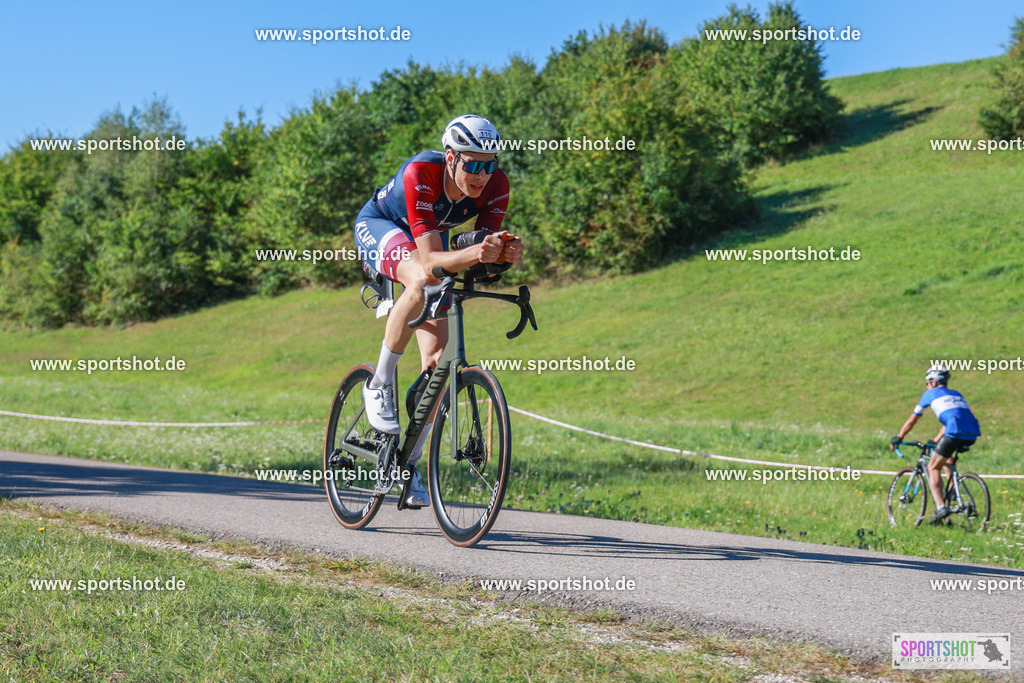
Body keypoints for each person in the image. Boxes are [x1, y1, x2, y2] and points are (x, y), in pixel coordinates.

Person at [353, 114, 524, 506]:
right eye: (473, 163)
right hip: (383, 226)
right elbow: (430, 260)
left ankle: (406, 467)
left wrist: (503, 255)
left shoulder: (496, 185)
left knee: (438, 368)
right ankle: (378, 383)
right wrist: (475, 252)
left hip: (431, 239)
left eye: (489, 163)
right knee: (421, 278)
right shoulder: (421, 172)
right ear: (450, 158)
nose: (482, 174)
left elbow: (479, 245)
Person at [889, 365, 981, 523]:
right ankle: (952, 497)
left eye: (927, 383)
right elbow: (954, 417)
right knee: (947, 461)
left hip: (953, 432)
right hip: (972, 432)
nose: (926, 386)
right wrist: (936, 439)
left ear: (932, 382)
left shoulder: (929, 394)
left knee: (932, 466)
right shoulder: (956, 394)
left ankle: (940, 508)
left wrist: (899, 436)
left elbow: (913, 420)